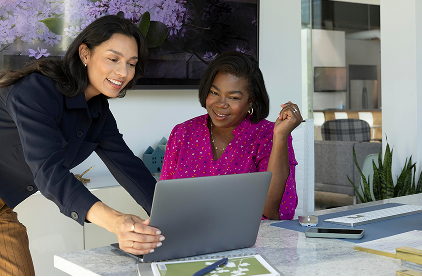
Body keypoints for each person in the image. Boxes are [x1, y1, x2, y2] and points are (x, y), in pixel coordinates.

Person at [0, 15, 164, 275]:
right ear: (85, 53)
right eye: (113, 59)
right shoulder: (37, 91)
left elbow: (128, 167)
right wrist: (116, 222)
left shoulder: (98, 111)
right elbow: (49, 173)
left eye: (131, 64)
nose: (123, 72)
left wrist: (172, 218)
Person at [160, 51, 303, 220]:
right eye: (214, 93)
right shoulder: (183, 133)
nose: (221, 104)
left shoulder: (268, 136)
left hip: (251, 242)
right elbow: (164, 205)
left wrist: (279, 137)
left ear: (251, 100)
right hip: (187, 238)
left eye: (233, 97)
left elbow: (273, 212)